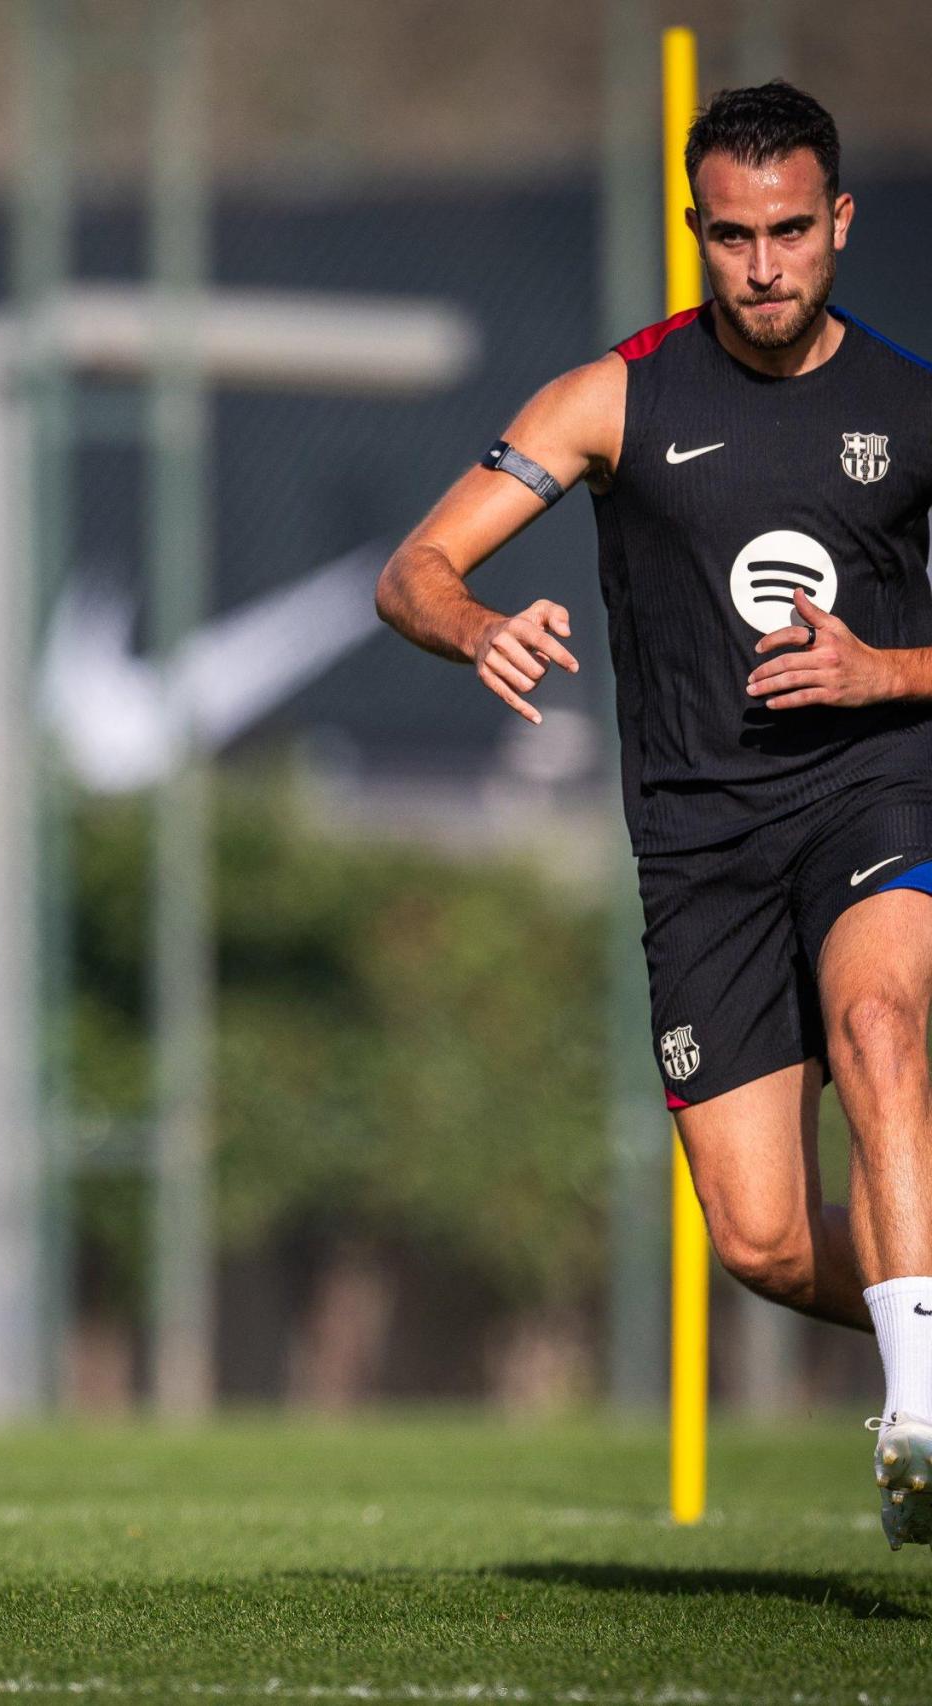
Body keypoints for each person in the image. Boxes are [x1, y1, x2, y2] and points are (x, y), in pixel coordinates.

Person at [375, 80, 932, 1550]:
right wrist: (472, 622)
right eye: (734, 236)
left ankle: (922, 1412)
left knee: (880, 1022)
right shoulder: (609, 398)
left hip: (879, 786)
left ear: (841, 223)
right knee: (755, 1233)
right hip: (700, 850)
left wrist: (888, 668)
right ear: (697, 229)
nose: (765, 266)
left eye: (793, 232)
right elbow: (414, 569)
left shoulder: (910, 406)